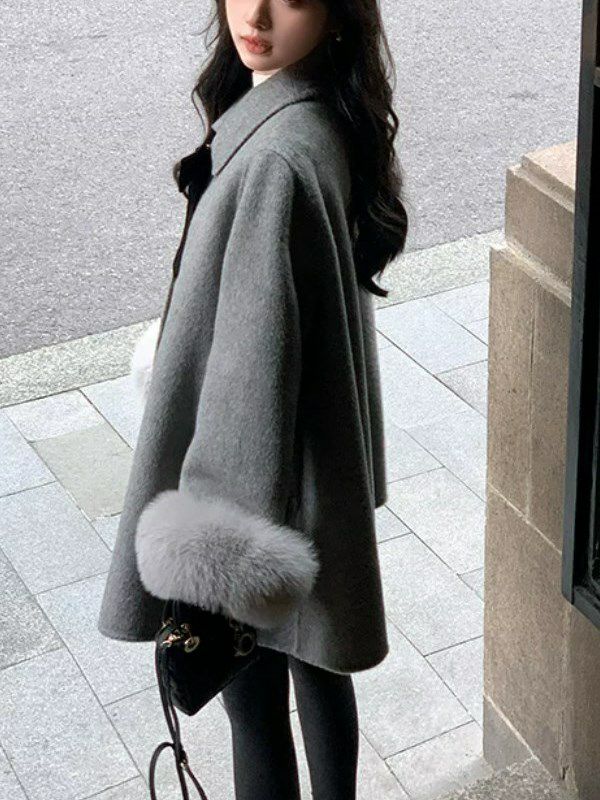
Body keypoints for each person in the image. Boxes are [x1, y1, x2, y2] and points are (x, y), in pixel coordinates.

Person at [97, 0, 408, 798]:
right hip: (312, 459)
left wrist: (215, 542)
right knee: (320, 660)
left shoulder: (274, 155)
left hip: (264, 476)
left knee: (254, 705)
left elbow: (250, 365)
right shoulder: (325, 112)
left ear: (337, 15)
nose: (257, 14)